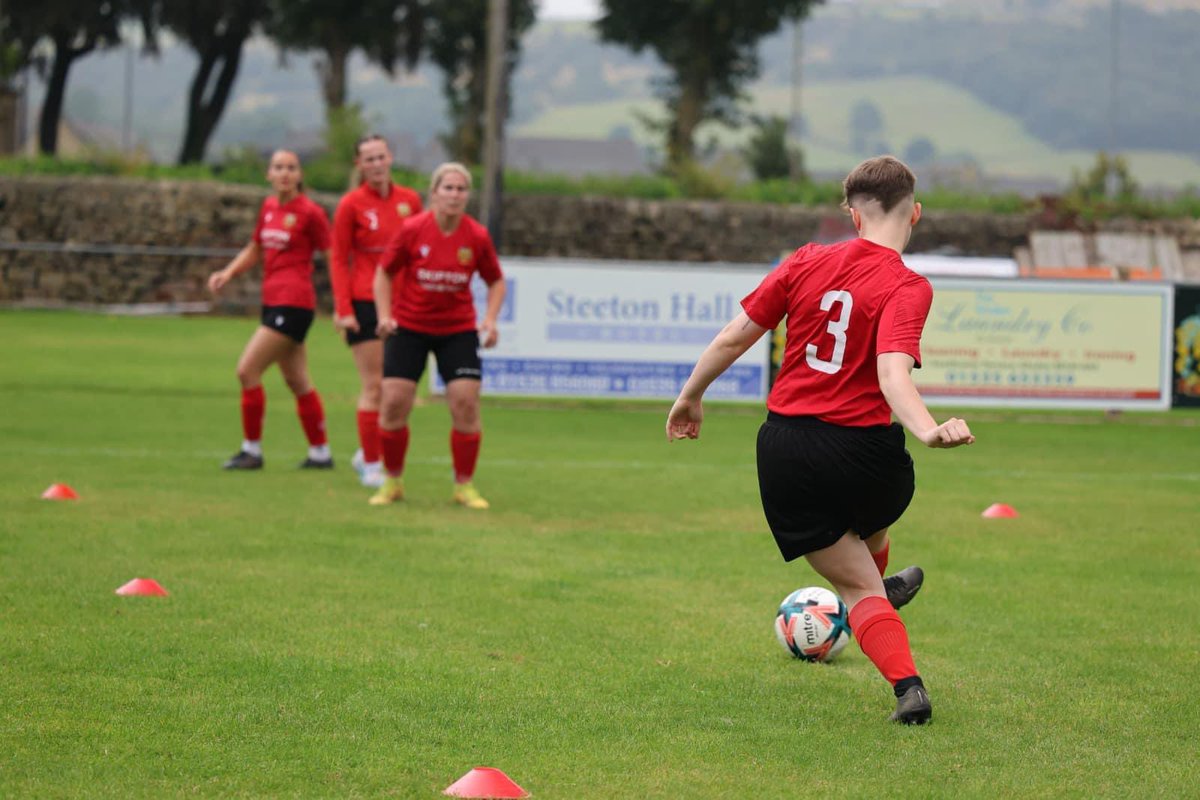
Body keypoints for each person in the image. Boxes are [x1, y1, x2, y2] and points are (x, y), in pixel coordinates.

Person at [665, 156, 974, 725]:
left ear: (853, 216)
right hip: (868, 457)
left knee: (856, 586)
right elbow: (891, 374)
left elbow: (737, 337)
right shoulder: (908, 284)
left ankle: (909, 685)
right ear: (917, 214)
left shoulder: (806, 260)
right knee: (871, 529)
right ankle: (879, 595)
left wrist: (691, 395)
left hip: (788, 450)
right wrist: (928, 429)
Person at [370, 162, 506, 509]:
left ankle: (464, 486)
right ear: (434, 193)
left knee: (465, 403)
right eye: (448, 188)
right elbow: (383, 274)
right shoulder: (413, 229)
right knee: (394, 403)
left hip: (457, 330)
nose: (455, 195)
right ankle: (392, 481)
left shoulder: (476, 236)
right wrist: (384, 316)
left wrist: (489, 320)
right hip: (409, 327)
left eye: (461, 189)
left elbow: (496, 280)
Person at [208, 149, 334, 471]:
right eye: (278, 167)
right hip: (274, 301)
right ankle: (320, 453)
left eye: (291, 167)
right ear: (269, 174)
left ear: (300, 175)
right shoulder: (268, 208)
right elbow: (255, 248)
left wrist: (342, 303)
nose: (285, 173)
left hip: (294, 303)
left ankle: (251, 451)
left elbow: (333, 253)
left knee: (246, 370)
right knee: (298, 381)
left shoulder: (310, 212)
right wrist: (228, 273)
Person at [331, 135, 423, 487]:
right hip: (364, 304)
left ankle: (367, 451)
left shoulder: (409, 201)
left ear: (391, 158)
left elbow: (418, 251)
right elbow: (339, 258)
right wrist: (343, 309)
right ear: (359, 165)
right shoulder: (351, 205)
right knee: (373, 385)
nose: (376, 164)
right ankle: (372, 465)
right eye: (368, 159)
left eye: (380, 156)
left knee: (398, 389)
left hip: (404, 306)